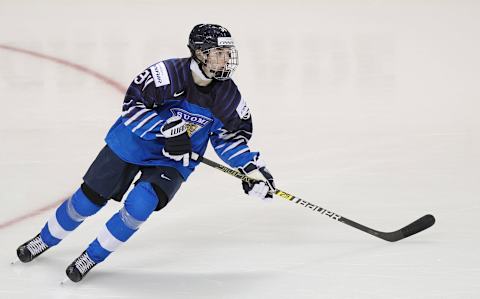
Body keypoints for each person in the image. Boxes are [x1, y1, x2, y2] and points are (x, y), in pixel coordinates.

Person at [16, 24, 275, 282]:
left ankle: (91, 257)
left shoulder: (229, 96)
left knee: (141, 205)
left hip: (174, 160)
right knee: (87, 200)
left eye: (228, 53)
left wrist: (250, 169)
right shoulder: (166, 74)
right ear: (200, 52)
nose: (226, 59)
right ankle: (44, 239)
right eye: (219, 52)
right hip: (132, 143)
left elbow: (229, 137)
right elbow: (132, 107)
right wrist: (165, 129)